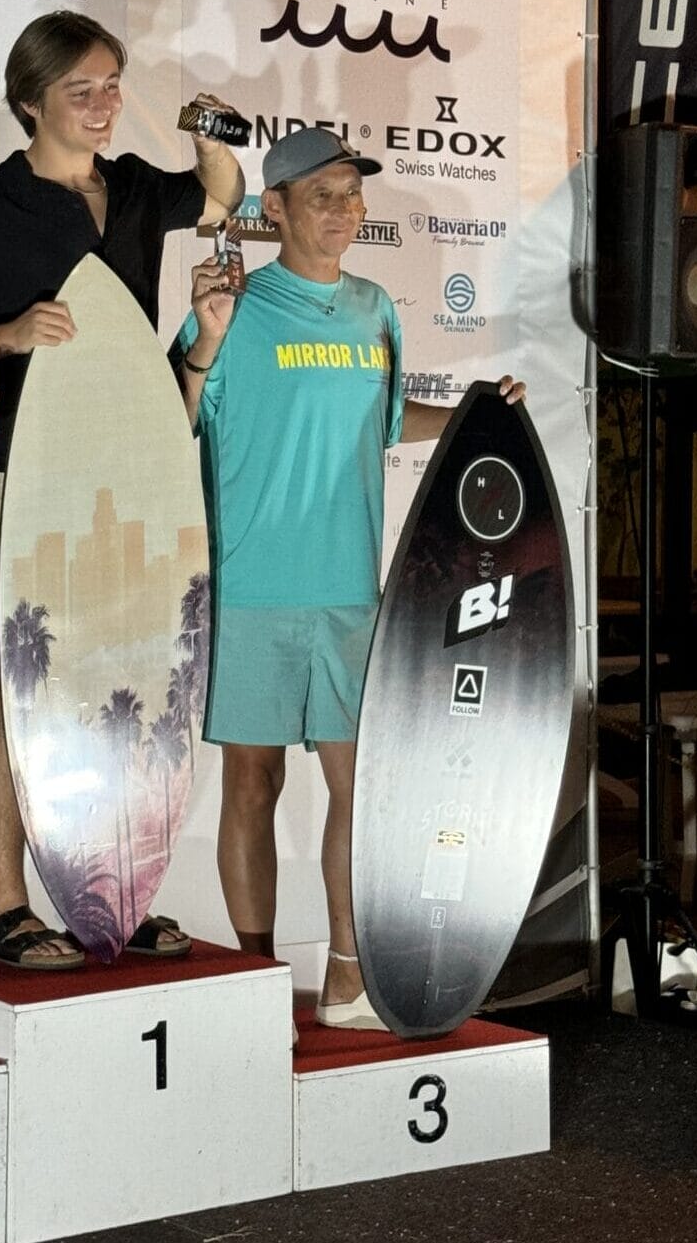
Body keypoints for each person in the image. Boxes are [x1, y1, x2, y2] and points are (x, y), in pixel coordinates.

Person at [175, 125, 523, 1028]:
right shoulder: (233, 305)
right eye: (322, 195)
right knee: (251, 786)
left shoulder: (375, 308)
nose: (343, 211)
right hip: (250, 585)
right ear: (275, 208)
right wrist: (206, 339)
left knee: (360, 787)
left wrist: (473, 418)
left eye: (352, 194)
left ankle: (345, 969)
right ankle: (253, 981)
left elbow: (387, 415)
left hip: (351, 593)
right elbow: (179, 414)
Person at [0, 9, 245, 968]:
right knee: (25, 683)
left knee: (135, 674)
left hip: (136, 467)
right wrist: (10, 334)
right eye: (82, 90)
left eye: (112, 85)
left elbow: (219, 200)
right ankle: (3, 901)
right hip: (35, 470)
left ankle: (121, 887)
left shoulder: (136, 188)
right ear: (31, 101)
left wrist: (211, 141)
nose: (105, 105)